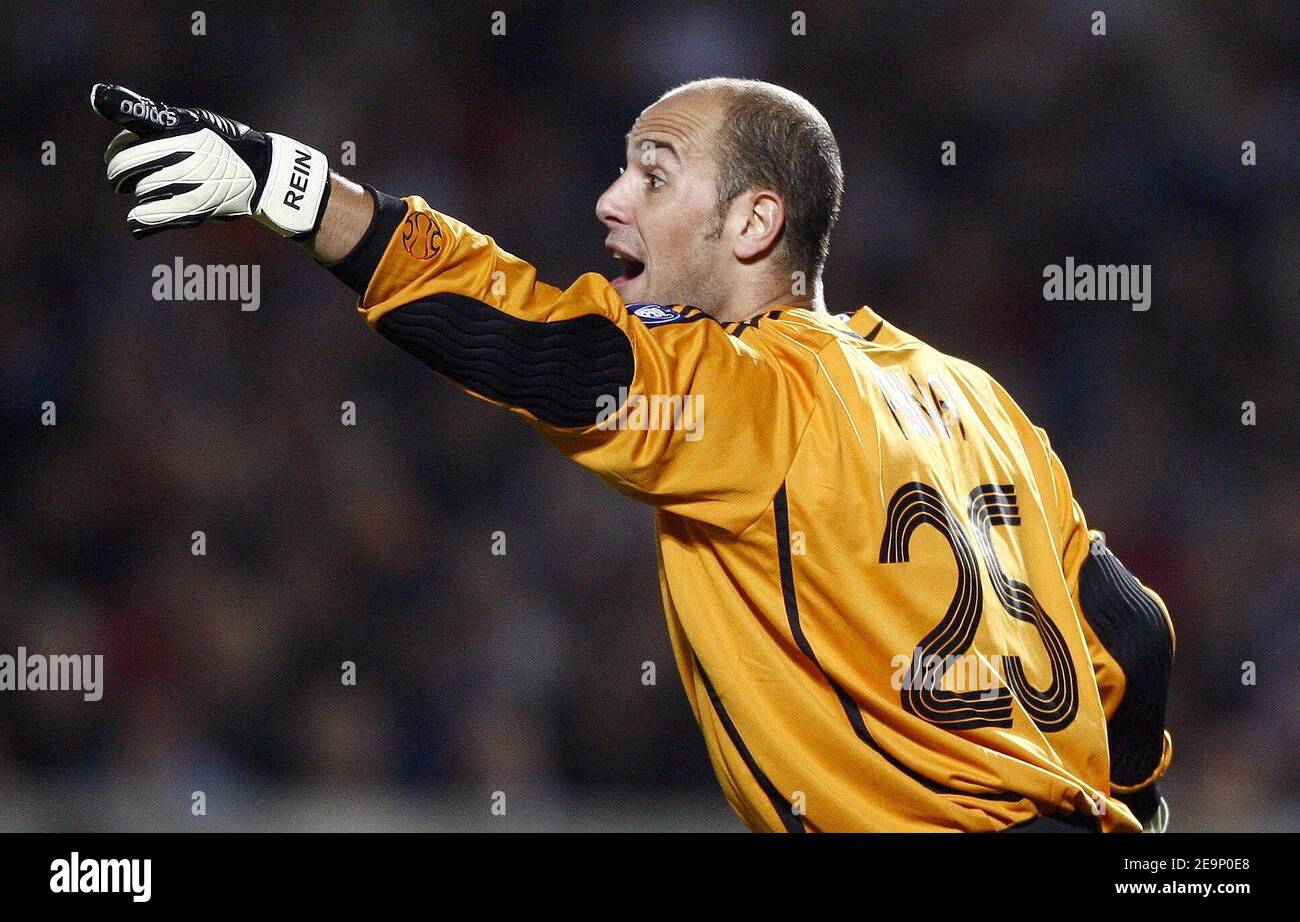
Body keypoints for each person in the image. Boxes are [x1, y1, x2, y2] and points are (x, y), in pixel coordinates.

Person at [91, 77, 1174, 832]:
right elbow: (1130, 628)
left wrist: (304, 196)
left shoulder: (759, 389)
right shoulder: (969, 393)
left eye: (654, 176)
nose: (612, 200)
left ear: (755, 223)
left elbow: (551, 354)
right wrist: (1131, 811)